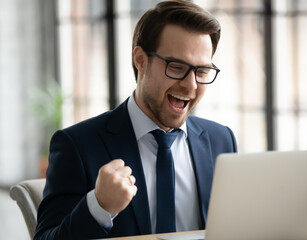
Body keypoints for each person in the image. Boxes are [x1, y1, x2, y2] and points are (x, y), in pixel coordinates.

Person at [34, 0, 237, 239]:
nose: (190, 84)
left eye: (201, 71)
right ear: (140, 60)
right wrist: (99, 207)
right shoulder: (76, 146)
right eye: (176, 66)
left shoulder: (222, 140)